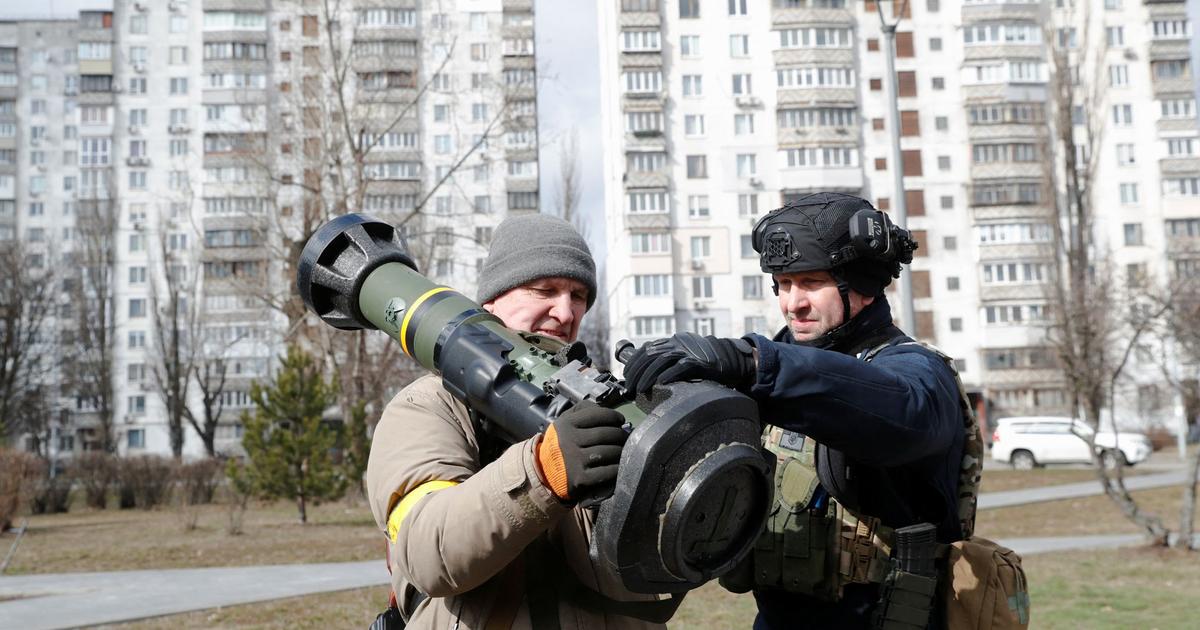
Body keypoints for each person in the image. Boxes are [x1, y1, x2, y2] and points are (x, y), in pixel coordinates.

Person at [621, 193, 974, 629]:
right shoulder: (770, 373)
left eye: (810, 282)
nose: (793, 303)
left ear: (861, 286)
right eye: (783, 285)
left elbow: (904, 413)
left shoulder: (917, 373)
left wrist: (753, 363)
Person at [366, 213, 668, 629]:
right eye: (544, 290)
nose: (565, 312)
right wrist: (542, 472)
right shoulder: (430, 405)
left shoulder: (609, 406)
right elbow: (426, 552)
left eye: (579, 295)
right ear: (491, 302)